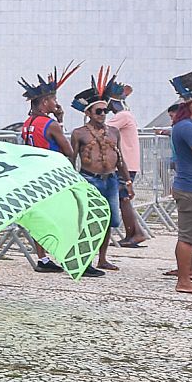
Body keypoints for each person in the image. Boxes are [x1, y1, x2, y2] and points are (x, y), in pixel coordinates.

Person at [16, 65, 80, 273]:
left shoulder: (28, 122)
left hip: (34, 173)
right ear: (45, 102)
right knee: (61, 215)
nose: (56, 103)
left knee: (40, 216)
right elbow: (69, 150)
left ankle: (42, 258)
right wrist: (60, 121)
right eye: (53, 99)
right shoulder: (49, 124)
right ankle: (64, 252)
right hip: (51, 175)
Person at [68, 72, 123, 273]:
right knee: (90, 220)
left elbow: (120, 156)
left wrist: (127, 180)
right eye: (98, 111)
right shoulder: (79, 133)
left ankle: (102, 258)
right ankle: (85, 260)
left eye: (105, 111)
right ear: (89, 113)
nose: (102, 114)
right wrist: (71, 182)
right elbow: (72, 158)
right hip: (89, 179)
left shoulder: (114, 132)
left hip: (111, 179)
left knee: (109, 220)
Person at [105, 78, 149, 248]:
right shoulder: (125, 115)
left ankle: (134, 233)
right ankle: (135, 233)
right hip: (128, 164)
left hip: (126, 164)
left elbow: (101, 128)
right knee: (124, 199)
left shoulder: (121, 116)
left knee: (124, 199)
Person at [172, 69, 192, 296]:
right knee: (188, 237)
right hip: (191, 189)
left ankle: (191, 272)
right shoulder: (188, 128)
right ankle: (183, 281)